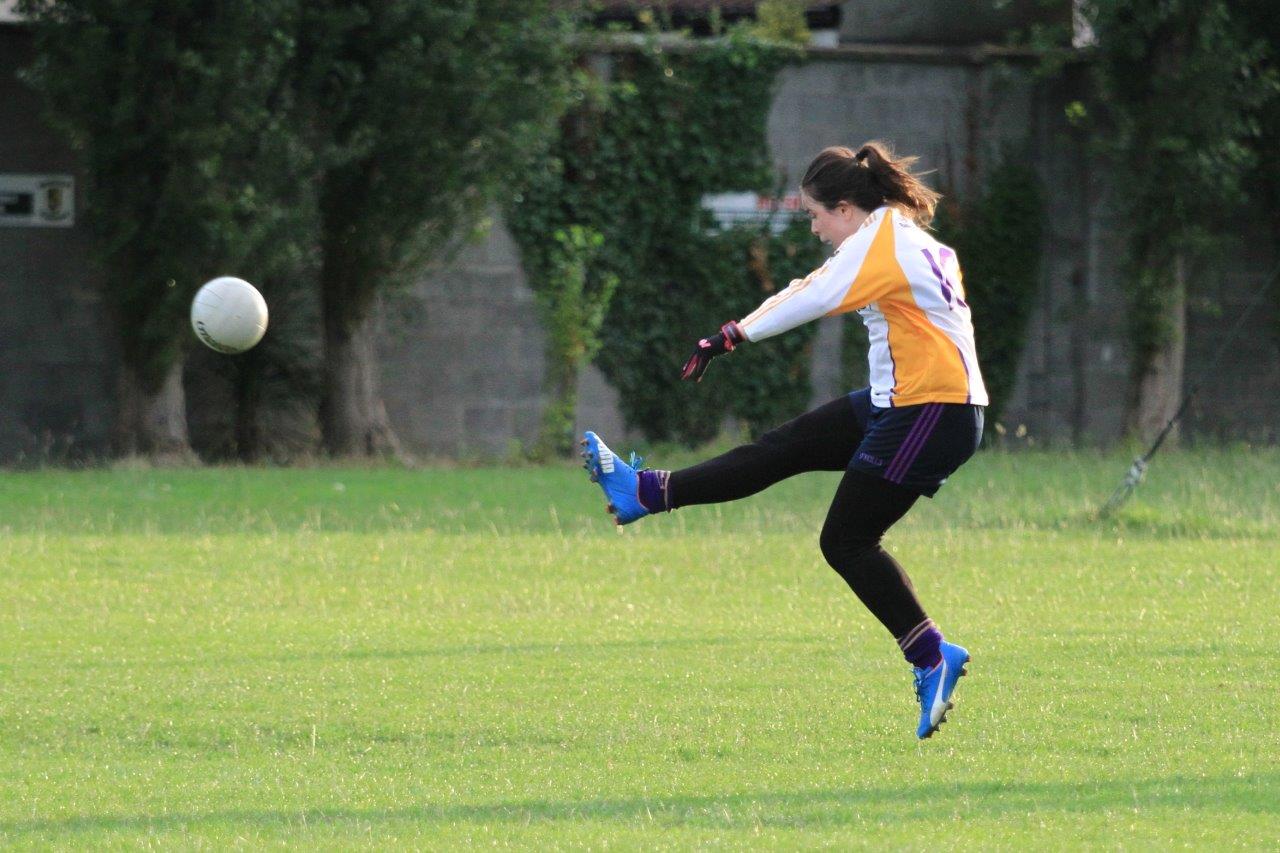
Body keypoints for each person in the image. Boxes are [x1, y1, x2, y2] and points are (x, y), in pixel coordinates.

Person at [580, 142, 987, 739]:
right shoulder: (889, 237)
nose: (816, 228)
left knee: (846, 541)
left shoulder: (883, 243)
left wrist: (731, 336)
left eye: (816, 215)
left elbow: (816, 297)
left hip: (933, 409)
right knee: (784, 447)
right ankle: (646, 492)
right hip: (902, 402)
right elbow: (813, 283)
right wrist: (735, 331)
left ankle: (931, 655)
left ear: (845, 208)